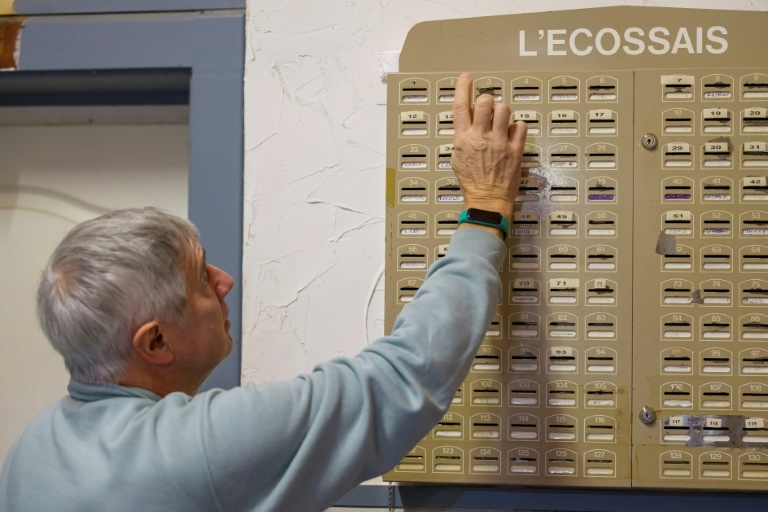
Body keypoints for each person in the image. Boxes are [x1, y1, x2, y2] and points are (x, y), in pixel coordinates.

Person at [0, 72, 526, 511]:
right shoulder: (196, 448)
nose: (225, 281)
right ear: (155, 342)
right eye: (202, 279)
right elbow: (398, 381)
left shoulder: (30, 452)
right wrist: (485, 210)